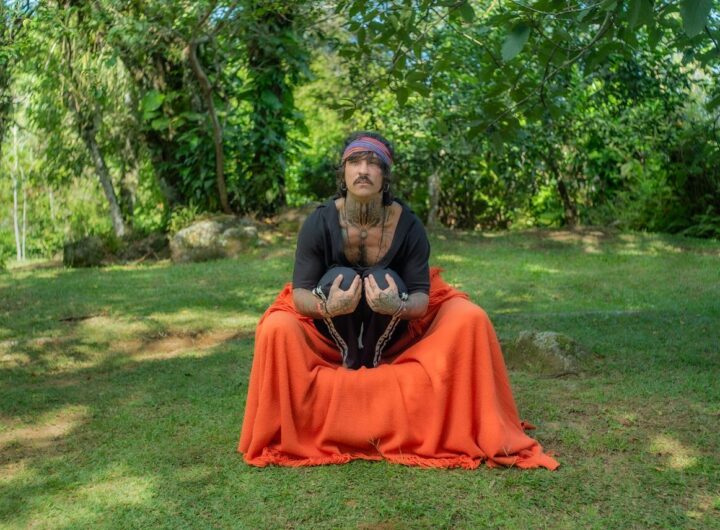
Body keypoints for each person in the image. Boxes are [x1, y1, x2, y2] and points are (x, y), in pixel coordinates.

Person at [238, 132, 559, 470]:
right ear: (343, 173)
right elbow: (300, 292)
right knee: (339, 279)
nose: (364, 170)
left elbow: (421, 297)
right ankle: (349, 356)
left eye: (373, 163)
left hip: (392, 327)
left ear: (386, 175)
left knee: (391, 283)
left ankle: (375, 357)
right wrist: (328, 307)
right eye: (355, 162)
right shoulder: (318, 223)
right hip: (331, 325)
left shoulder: (409, 225)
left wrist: (396, 305)